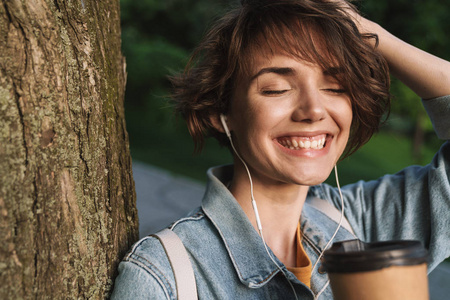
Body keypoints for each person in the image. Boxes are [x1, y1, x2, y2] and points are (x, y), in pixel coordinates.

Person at [111, 0, 450, 299]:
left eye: (334, 86)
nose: (314, 110)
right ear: (220, 112)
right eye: (276, 89)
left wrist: (362, 29)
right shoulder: (164, 278)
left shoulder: (362, 227)